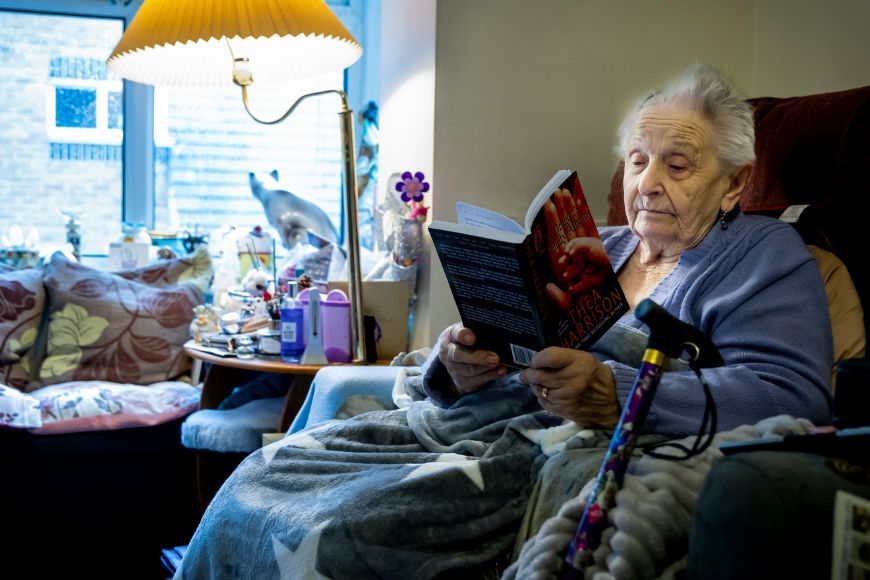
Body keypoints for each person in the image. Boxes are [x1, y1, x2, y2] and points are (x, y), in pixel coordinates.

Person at [175, 65, 833, 579]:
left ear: (734, 184)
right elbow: (511, 348)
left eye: (678, 164)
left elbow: (794, 396)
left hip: (539, 448)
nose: (648, 182)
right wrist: (460, 363)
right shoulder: (599, 245)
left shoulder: (763, 255)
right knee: (257, 480)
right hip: (470, 422)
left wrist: (616, 392)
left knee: (331, 528)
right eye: (637, 160)